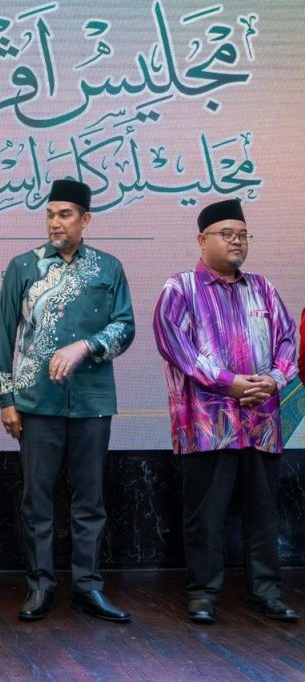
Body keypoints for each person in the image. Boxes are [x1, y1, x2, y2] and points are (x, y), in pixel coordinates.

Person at [0, 179, 135, 623]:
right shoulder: (23, 266)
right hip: (36, 401)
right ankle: (40, 585)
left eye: (65, 214)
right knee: (37, 500)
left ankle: (88, 587)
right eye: (50, 214)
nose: (55, 222)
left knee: (90, 500)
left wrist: (86, 346)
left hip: (92, 400)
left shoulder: (108, 267)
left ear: (85, 220)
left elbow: (125, 326)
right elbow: (3, 336)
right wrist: (6, 399)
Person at [152, 198, 299, 624]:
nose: (237, 242)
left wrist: (273, 379)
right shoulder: (180, 289)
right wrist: (229, 382)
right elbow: (176, 347)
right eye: (227, 234)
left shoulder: (263, 288)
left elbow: (288, 340)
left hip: (262, 422)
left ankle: (266, 593)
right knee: (206, 515)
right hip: (207, 425)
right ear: (202, 240)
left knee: (263, 513)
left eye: (242, 235)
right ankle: (202, 594)